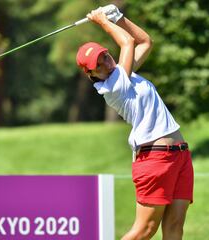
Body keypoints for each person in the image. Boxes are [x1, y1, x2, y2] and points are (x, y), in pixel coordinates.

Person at [76, 6, 194, 240]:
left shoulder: (125, 74)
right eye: (98, 65)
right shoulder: (113, 87)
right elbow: (128, 43)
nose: (105, 63)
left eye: (105, 56)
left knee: (174, 229)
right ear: (92, 75)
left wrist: (118, 17)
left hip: (179, 155)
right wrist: (102, 21)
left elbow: (145, 42)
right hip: (155, 158)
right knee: (144, 231)